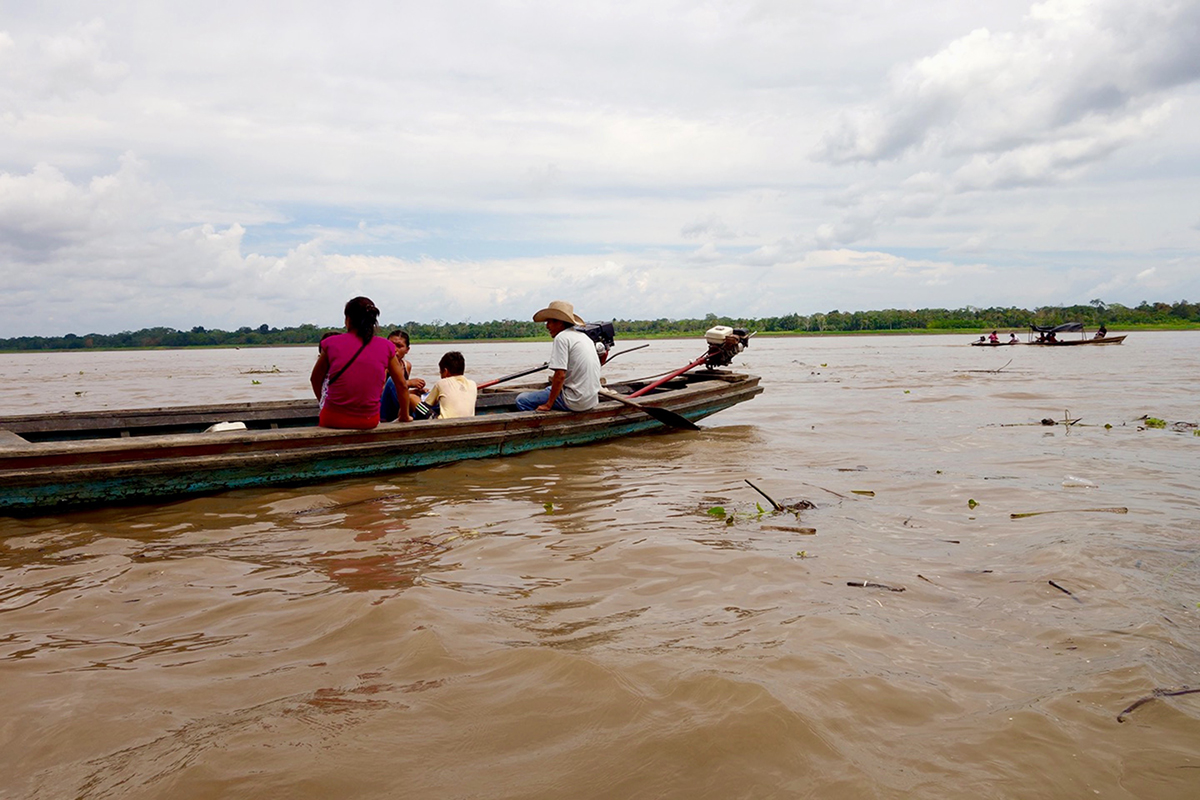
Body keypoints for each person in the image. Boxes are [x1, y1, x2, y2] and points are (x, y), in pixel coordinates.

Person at [310, 296, 410, 429]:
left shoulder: (330, 343)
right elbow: (401, 385)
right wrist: (404, 415)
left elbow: (315, 379)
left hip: (332, 419)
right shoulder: (386, 346)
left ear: (348, 320)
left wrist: (326, 406)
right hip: (368, 421)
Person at [516, 300, 601, 412]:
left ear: (559, 322)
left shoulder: (561, 338)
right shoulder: (584, 337)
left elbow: (560, 375)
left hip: (574, 401)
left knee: (522, 400)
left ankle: (541, 422)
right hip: (591, 401)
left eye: (549, 322)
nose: (547, 326)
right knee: (549, 389)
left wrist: (548, 405)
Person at [380, 329, 426, 422]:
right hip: (383, 411)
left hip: (399, 410)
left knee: (420, 396)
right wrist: (408, 383)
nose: (394, 349)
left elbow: (399, 392)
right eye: (391, 345)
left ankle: (427, 413)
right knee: (392, 381)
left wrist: (415, 392)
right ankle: (426, 413)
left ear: (407, 350)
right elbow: (380, 393)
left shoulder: (406, 366)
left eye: (399, 346)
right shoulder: (382, 365)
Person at [415, 351, 477, 420]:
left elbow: (427, 405)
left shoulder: (441, 383)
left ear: (445, 371)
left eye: (441, 373)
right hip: (468, 423)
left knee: (413, 400)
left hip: (444, 424)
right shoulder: (472, 384)